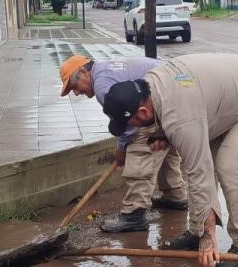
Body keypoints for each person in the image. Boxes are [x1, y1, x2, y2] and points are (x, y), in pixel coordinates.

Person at [101, 53, 238, 267]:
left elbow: (199, 171)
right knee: (199, 160)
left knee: (229, 168)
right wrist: (163, 132)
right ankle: (196, 232)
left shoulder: (180, 118)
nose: (133, 128)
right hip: (231, 101)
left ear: (143, 111)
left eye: (131, 122)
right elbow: (178, 114)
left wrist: (209, 236)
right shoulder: (151, 83)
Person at [59, 54, 187, 232]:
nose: (76, 92)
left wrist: (122, 149)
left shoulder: (102, 86)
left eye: (74, 86)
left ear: (84, 72)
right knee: (164, 145)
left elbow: (129, 124)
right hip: (177, 91)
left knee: (140, 151)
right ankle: (175, 195)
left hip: (163, 97)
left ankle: (134, 214)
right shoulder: (105, 67)